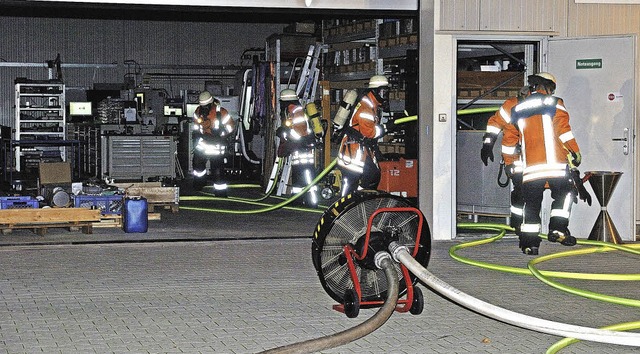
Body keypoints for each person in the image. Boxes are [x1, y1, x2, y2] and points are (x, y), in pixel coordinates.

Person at [501, 72, 582, 255]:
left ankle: (530, 244)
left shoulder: (518, 109)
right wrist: (575, 151)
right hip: (555, 167)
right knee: (566, 195)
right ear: (548, 87)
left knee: (531, 206)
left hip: (531, 169)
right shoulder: (555, 103)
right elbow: (563, 131)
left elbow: (509, 139)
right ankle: (558, 229)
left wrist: (509, 163)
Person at [481, 86, 530, 234]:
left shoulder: (538, 109)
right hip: (514, 159)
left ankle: (528, 224)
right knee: (520, 191)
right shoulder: (509, 106)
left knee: (531, 192)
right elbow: (495, 125)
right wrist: (487, 145)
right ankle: (518, 224)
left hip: (532, 158)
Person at [335, 75, 389, 196]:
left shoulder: (371, 104)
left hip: (361, 151)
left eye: (386, 92)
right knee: (350, 183)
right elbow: (370, 133)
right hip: (353, 154)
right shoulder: (365, 108)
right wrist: (386, 128)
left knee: (373, 175)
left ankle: (359, 200)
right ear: (375, 91)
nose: (385, 95)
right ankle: (344, 209)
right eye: (382, 91)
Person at [276, 89, 321, 207]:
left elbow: (300, 132)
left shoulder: (297, 111)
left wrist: (285, 133)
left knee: (307, 175)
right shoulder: (290, 110)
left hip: (303, 149)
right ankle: (297, 199)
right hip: (298, 148)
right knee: (297, 175)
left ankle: (312, 202)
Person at [191, 90, 236, 195]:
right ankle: (199, 183)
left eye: (206, 106)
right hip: (203, 142)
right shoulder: (198, 112)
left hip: (217, 143)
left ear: (211, 103)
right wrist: (198, 133)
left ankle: (220, 191)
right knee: (197, 164)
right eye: (202, 106)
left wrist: (221, 133)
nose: (204, 108)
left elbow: (231, 127)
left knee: (217, 169)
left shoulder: (221, 112)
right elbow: (195, 126)